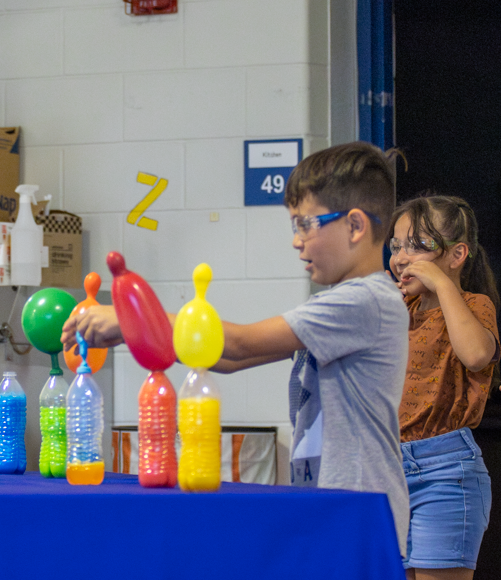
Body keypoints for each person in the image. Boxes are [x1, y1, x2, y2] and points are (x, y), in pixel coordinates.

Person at [63, 142, 411, 557]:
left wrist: (132, 317)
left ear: (355, 226)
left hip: (359, 510)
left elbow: (243, 341)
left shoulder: (364, 301)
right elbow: (226, 358)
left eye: (306, 224)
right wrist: (137, 333)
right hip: (333, 505)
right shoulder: (340, 303)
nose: (297, 242)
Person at [387, 195, 498, 579]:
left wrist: (438, 281)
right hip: (390, 470)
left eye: (418, 245)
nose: (402, 256)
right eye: (397, 245)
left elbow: (476, 355)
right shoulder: (401, 310)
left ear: (457, 255)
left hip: (445, 470)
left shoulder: (475, 305)